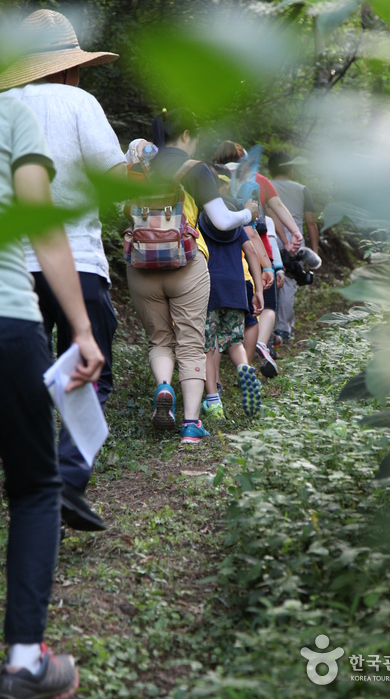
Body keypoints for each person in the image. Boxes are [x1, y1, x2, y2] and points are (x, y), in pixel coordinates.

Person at [0, 9, 126, 532]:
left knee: (25, 377)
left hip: (12, 274)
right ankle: (68, 479)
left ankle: (32, 478)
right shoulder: (81, 102)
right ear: (70, 67)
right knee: (87, 368)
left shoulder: (4, 107)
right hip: (78, 262)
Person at [0, 94, 104, 699]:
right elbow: (40, 221)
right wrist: (82, 331)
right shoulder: (12, 117)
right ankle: (24, 662)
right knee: (37, 486)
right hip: (8, 321)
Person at [126, 110, 258, 444]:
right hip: (187, 262)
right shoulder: (195, 168)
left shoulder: (139, 167)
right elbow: (222, 220)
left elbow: (123, 212)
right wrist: (248, 213)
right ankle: (190, 424)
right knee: (191, 342)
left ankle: (164, 386)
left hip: (141, 263)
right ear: (186, 135)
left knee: (160, 339)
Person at [213, 141, 303, 371]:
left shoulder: (211, 178)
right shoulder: (258, 180)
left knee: (222, 313)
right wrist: (294, 233)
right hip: (257, 250)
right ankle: (252, 355)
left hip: (222, 254)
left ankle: (217, 378)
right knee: (265, 306)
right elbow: (277, 207)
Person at [199, 201, 264, 419]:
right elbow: (252, 254)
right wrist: (258, 290)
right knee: (234, 342)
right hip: (236, 289)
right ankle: (244, 367)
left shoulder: (200, 225)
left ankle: (214, 402)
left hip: (209, 289)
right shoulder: (237, 230)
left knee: (208, 346)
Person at [268, 150, 319, 342]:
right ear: (290, 169)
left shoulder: (265, 186)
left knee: (269, 281)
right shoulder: (302, 189)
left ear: (270, 170)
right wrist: (314, 250)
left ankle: (267, 328)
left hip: (270, 239)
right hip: (295, 243)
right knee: (289, 284)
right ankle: (283, 329)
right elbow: (311, 222)